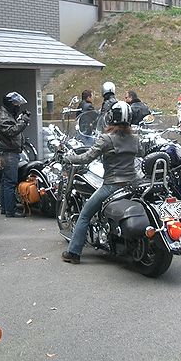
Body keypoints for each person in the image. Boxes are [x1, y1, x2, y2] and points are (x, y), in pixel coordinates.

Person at [61, 101, 141, 264]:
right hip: (132, 185)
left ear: (110, 118)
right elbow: (141, 153)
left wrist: (68, 158)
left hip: (112, 185)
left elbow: (87, 158)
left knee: (85, 215)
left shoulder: (106, 139)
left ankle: (73, 252)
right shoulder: (135, 138)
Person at [0, 91, 30, 217]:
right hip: (9, 153)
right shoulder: (3, 116)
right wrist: (23, 121)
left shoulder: (7, 114)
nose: (18, 106)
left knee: (6, 181)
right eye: (16, 104)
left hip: (8, 152)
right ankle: (11, 210)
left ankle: (5, 208)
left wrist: (20, 118)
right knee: (10, 182)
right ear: (10, 104)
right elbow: (11, 131)